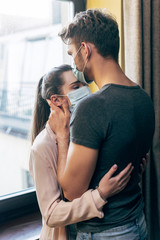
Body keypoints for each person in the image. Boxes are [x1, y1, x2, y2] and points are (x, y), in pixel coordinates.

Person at [48, 9, 155, 240]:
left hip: (107, 232)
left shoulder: (93, 107)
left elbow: (72, 192)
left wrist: (62, 135)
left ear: (85, 50)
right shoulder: (144, 98)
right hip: (138, 222)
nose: (74, 61)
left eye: (72, 53)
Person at [29, 64, 134, 240]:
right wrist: (99, 195)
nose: (86, 89)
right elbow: (52, 214)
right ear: (56, 100)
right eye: (76, 87)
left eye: (85, 84)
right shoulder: (42, 146)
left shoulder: (86, 130)